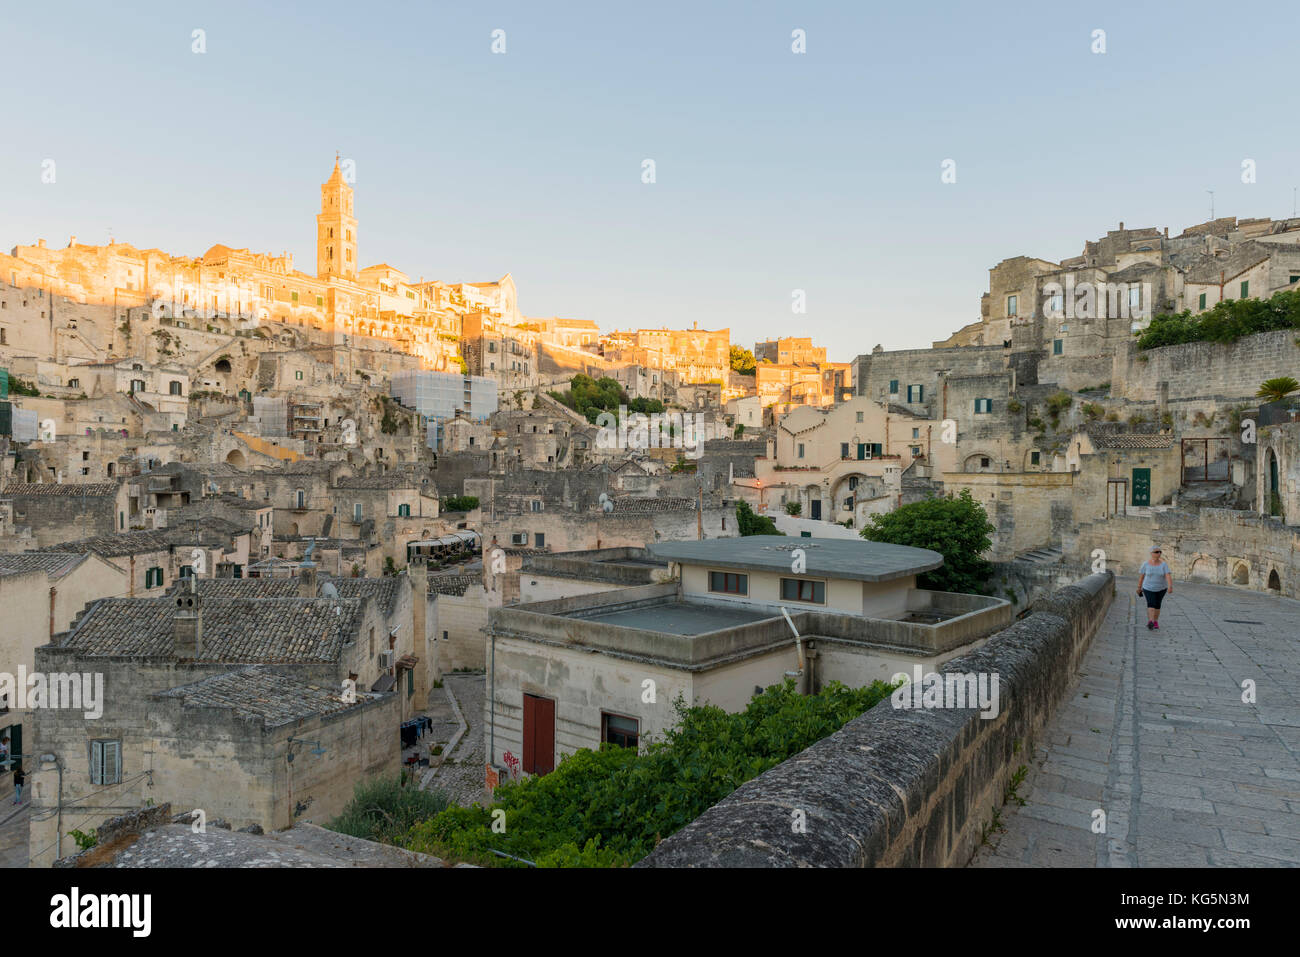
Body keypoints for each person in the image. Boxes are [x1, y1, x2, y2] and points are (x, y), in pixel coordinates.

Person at [1137, 546, 1173, 630]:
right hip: (1148, 588)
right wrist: (1139, 587)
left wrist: (1170, 586)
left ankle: (1156, 621)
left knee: (1157, 605)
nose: (1159, 553)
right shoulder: (1145, 564)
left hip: (1161, 588)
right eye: (1156, 552)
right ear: (1151, 553)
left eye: (1160, 552)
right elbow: (1142, 577)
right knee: (1151, 603)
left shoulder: (1164, 564)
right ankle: (1151, 621)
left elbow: (1168, 575)